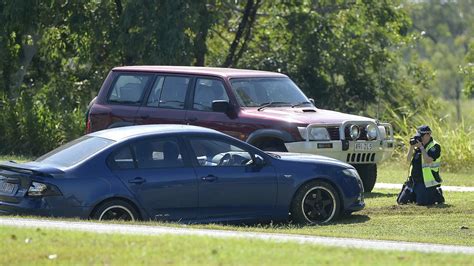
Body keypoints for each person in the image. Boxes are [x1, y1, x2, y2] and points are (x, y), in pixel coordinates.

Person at [406, 125, 444, 205]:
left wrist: (422, 148)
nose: (419, 139)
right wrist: (411, 147)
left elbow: (428, 160)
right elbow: (408, 159)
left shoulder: (435, 146)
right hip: (414, 180)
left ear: (427, 135)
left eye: (420, 136)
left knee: (422, 203)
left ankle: (436, 193)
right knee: (402, 201)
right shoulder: (418, 146)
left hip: (426, 182)